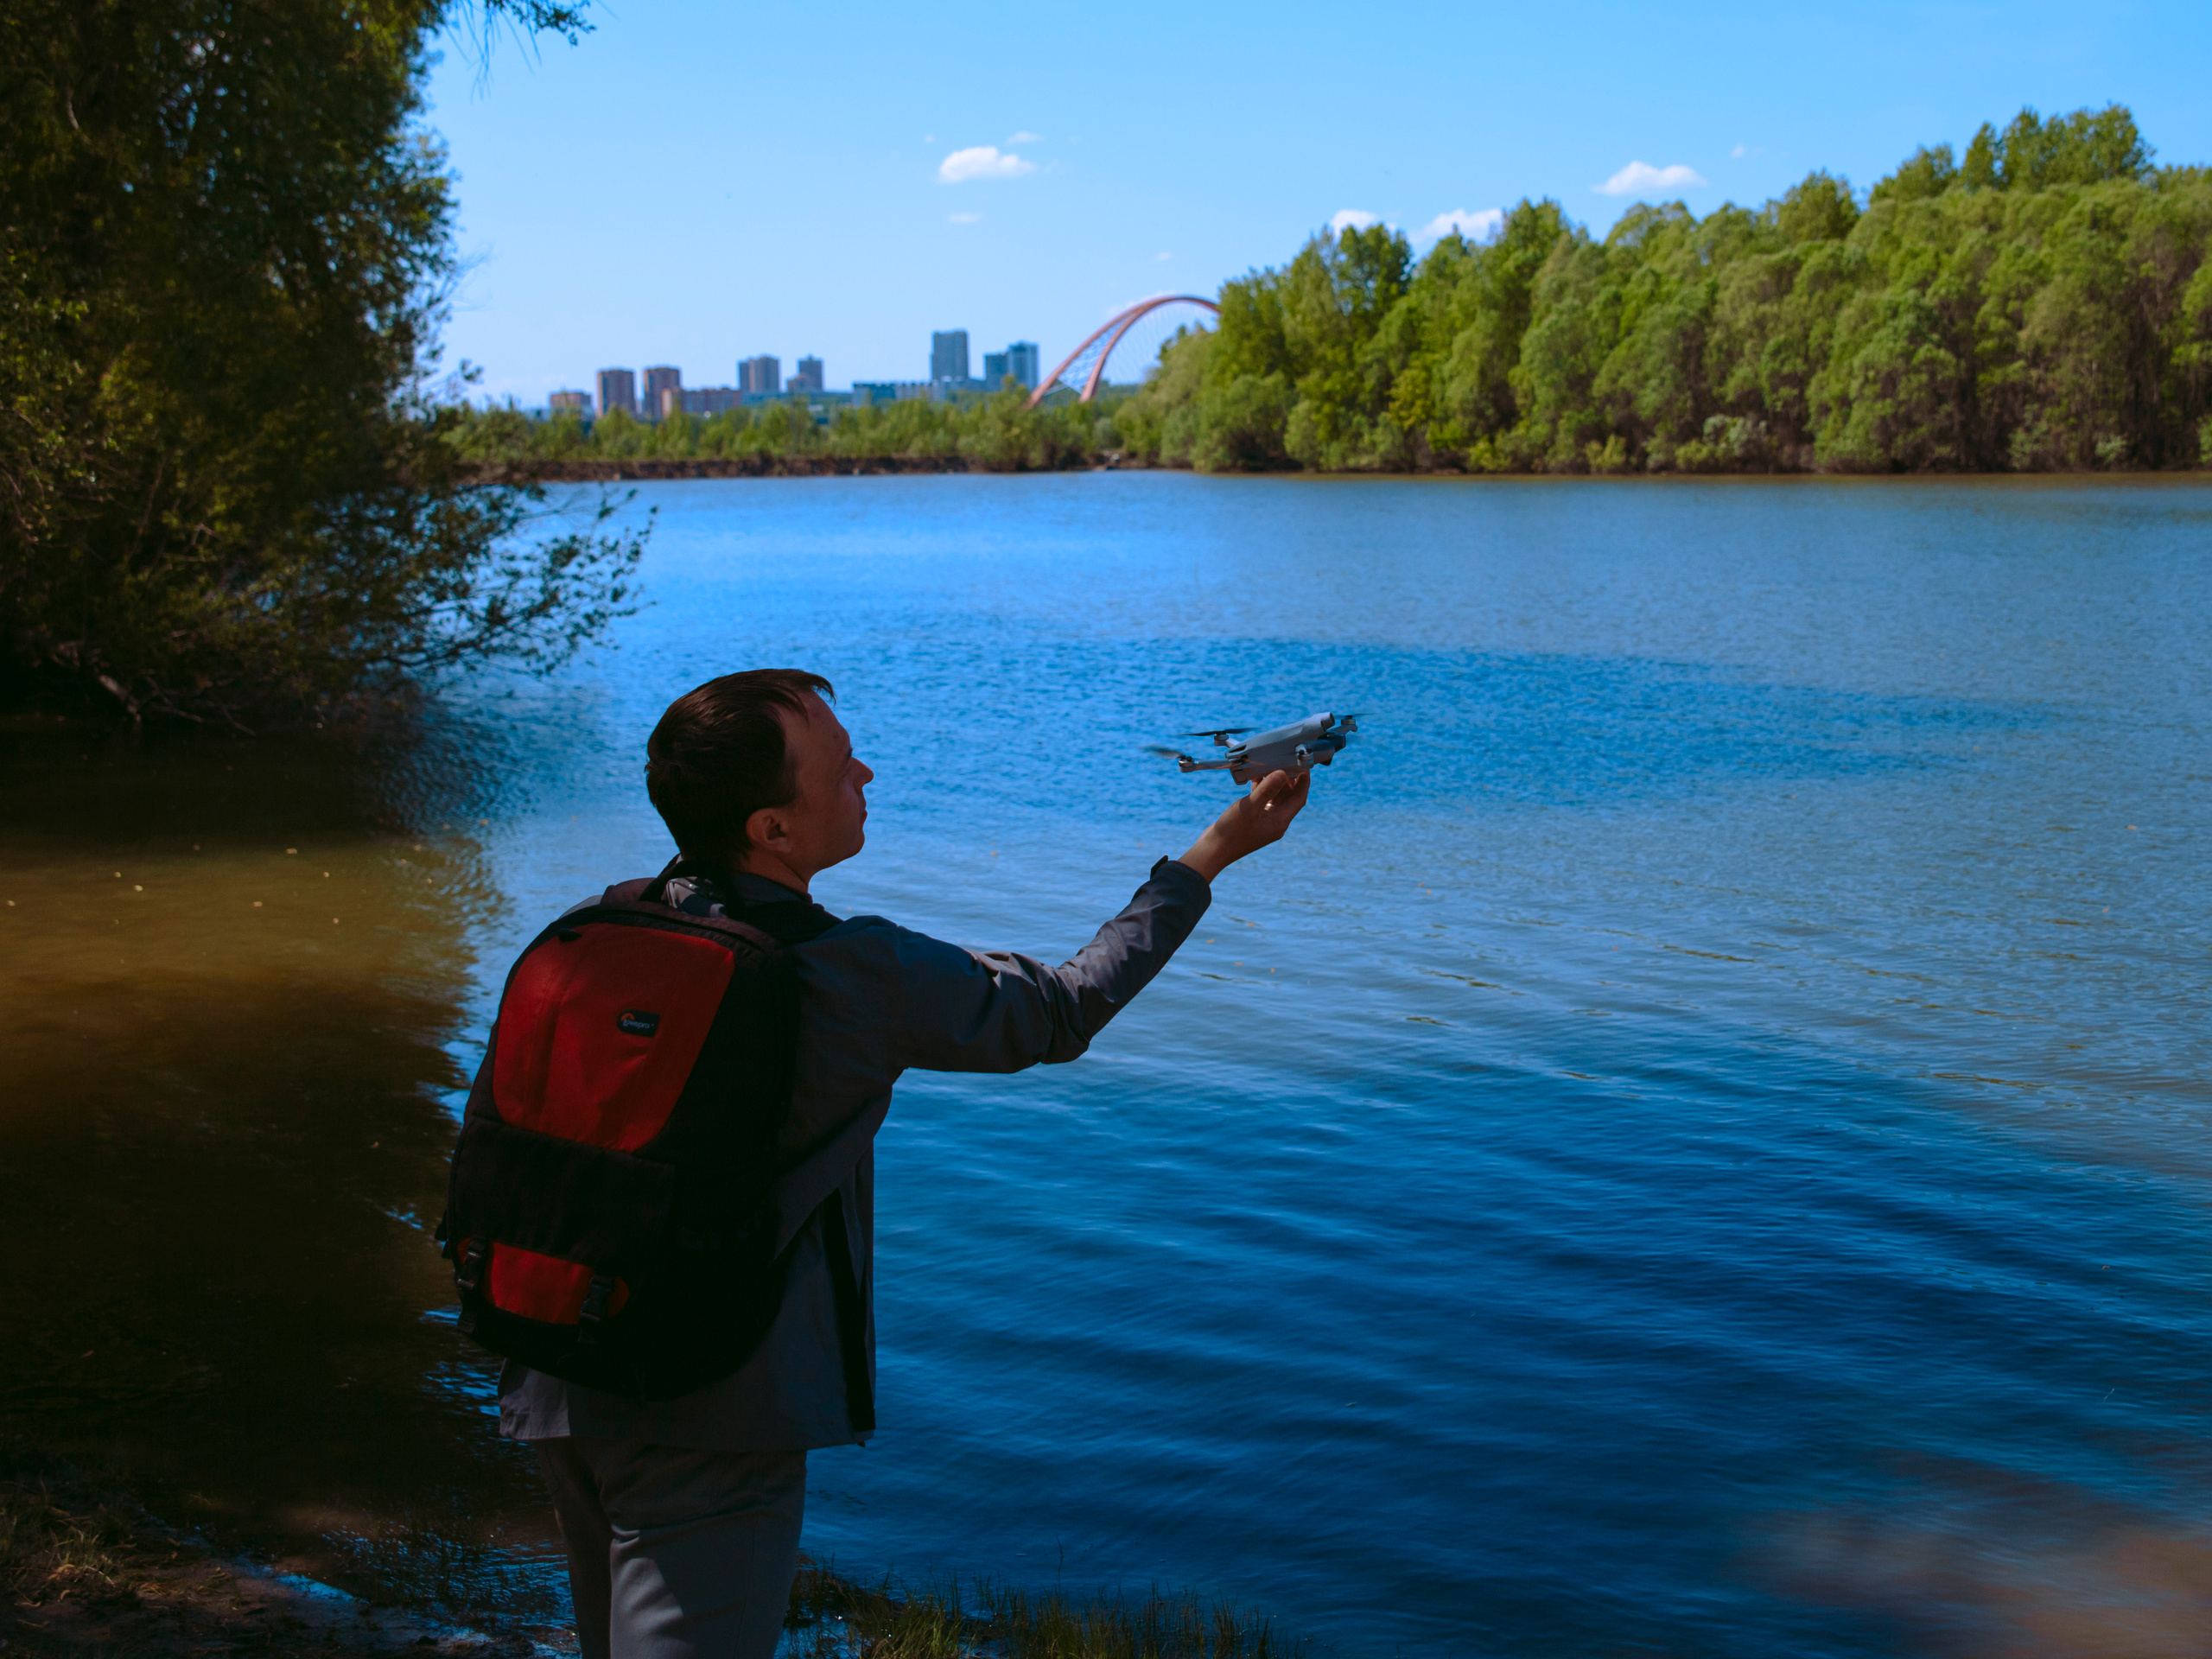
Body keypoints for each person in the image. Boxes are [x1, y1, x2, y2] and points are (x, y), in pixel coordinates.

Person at [498, 668, 1311, 1659]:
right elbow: (1061, 1010)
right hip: (716, 1405)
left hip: (560, 1369)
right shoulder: (852, 970)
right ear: (772, 829)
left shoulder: (593, 928)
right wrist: (1213, 853)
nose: (867, 776)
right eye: (841, 768)